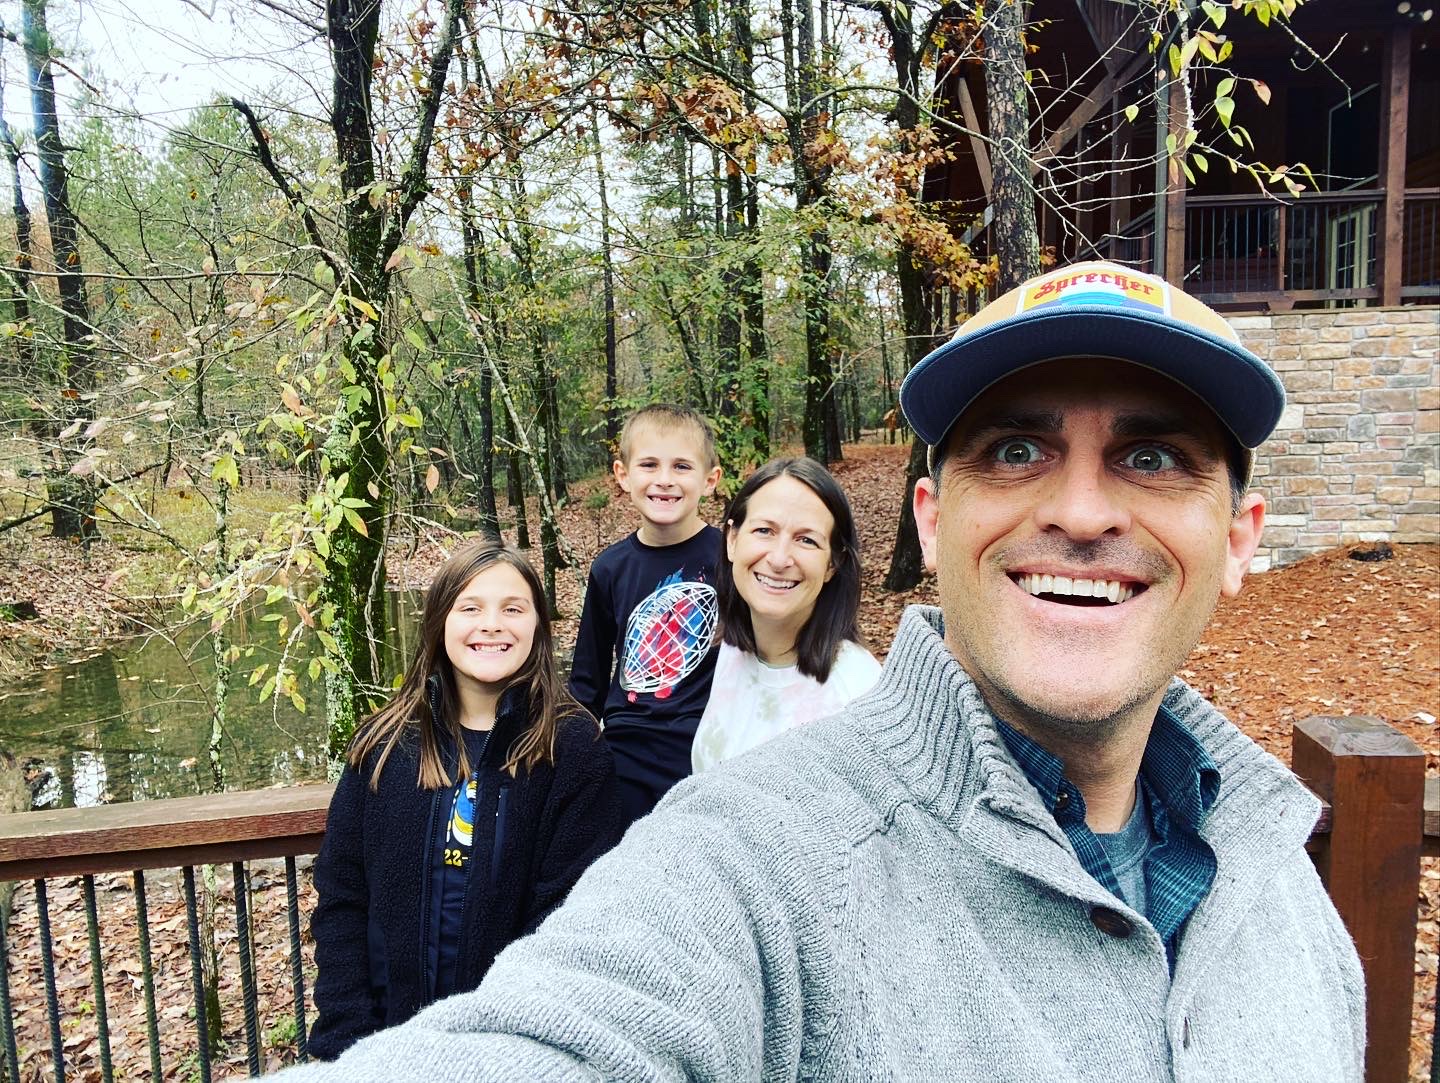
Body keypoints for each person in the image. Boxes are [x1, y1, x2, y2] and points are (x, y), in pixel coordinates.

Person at [276, 262, 1364, 1081]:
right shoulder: (761, 860)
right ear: (932, 521)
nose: (1081, 511)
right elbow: (566, 1028)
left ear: (1240, 539)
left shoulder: (1283, 887)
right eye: (1016, 451)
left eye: (1154, 457)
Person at [306, 539, 621, 1061]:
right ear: (440, 623)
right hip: (386, 1043)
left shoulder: (573, 750)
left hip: (514, 1048)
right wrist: (348, 1040)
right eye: (470, 608)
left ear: (538, 626)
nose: (492, 625)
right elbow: (342, 897)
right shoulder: (385, 746)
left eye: (513, 609)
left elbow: (571, 918)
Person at [568, 403, 724, 824]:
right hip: (627, 751)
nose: (665, 479)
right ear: (623, 475)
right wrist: (570, 753)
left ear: (710, 480)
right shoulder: (610, 568)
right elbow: (587, 681)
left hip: (708, 748)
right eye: (649, 465)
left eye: (682, 466)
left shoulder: (731, 557)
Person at [691, 457, 880, 772]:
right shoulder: (730, 652)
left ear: (832, 564)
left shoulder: (859, 695)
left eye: (806, 540)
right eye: (764, 530)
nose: (779, 559)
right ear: (732, 540)